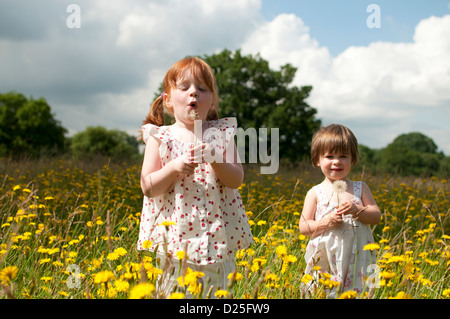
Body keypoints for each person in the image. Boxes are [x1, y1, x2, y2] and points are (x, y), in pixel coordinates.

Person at [137, 56, 253, 297]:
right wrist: (173, 167)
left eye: (202, 89)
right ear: (168, 100)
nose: (194, 94)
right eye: (185, 87)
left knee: (216, 293)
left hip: (216, 238)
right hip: (173, 242)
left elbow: (236, 180)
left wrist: (215, 157)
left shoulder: (221, 134)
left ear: (211, 102)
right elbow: (148, 187)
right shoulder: (160, 137)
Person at [299, 124, 381, 297]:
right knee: (322, 291)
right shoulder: (315, 193)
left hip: (358, 255)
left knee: (362, 291)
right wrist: (326, 222)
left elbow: (376, 216)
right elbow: (304, 227)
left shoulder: (360, 188)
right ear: (317, 160)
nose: (337, 161)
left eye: (343, 156)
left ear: (353, 159)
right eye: (329, 156)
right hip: (326, 256)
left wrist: (357, 209)